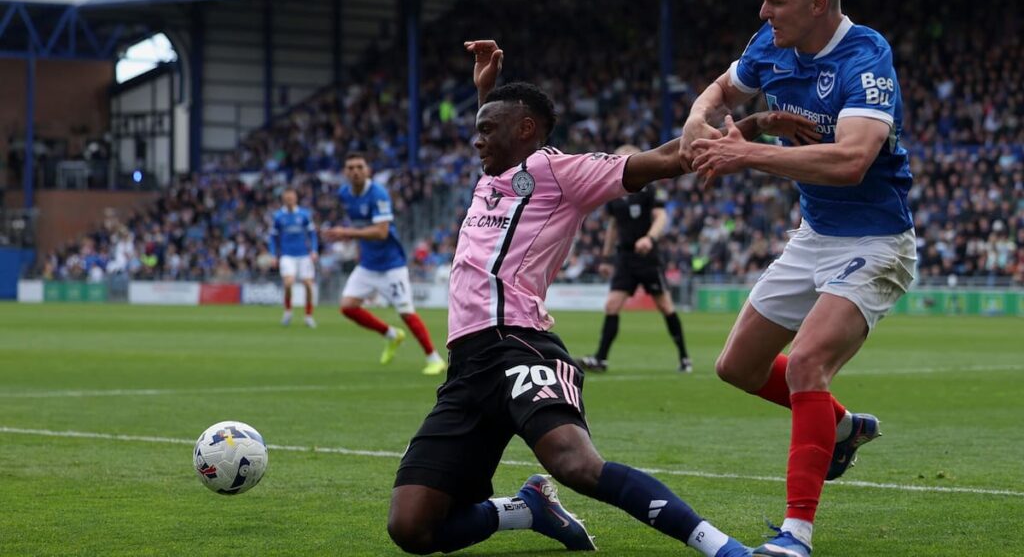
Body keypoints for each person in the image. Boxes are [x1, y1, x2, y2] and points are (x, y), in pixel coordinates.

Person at [386, 39, 817, 557]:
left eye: (485, 130)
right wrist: (486, 88)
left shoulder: (560, 173)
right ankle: (526, 510)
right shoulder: (493, 176)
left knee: (576, 465)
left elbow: (669, 158)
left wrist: (753, 126)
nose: (476, 141)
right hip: (467, 366)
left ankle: (724, 549)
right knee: (411, 529)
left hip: (519, 346)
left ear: (525, 131)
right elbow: (505, 117)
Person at [680, 0, 916, 555]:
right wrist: (697, 118)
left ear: (817, 5)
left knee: (806, 364)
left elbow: (853, 160)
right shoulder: (770, 43)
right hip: (813, 237)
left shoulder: (865, 56)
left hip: (876, 241)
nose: (762, 11)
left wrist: (747, 151)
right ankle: (842, 427)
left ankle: (795, 536)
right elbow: (722, 89)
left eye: (774, 1)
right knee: (736, 366)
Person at [325, 153, 447, 375]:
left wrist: (347, 233)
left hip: (392, 265)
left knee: (406, 312)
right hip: (368, 264)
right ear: (345, 172)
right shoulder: (344, 193)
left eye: (359, 167)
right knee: (347, 306)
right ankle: (391, 335)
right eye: (350, 167)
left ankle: (434, 358)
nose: (355, 171)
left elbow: (381, 232)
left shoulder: (378, 193)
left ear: (367, 170)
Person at [578, 144, 693, 374]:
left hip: (647, 256)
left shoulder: (650, 188)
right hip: (625, 257)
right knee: (612, 305)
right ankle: (601, 359)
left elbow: (661, 217)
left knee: (665, 306)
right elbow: (612, 226)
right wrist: (606, 257)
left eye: (624, 159)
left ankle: (684, 358)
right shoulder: (614, 193)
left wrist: (649, 238)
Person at [269, 188, 318, 328]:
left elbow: (312, 234)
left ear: (296, 198)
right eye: (287, 198)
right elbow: (273, 237)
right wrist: (273, 254)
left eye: (292, 198)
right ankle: (288, 311)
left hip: (304, 255)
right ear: (284, 199)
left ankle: (308, 315)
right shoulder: (278, 216)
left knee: (308, 284)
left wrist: (314, 250)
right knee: (288, 283)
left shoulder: (304, 215)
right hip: (287, 255)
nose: (289, 200)